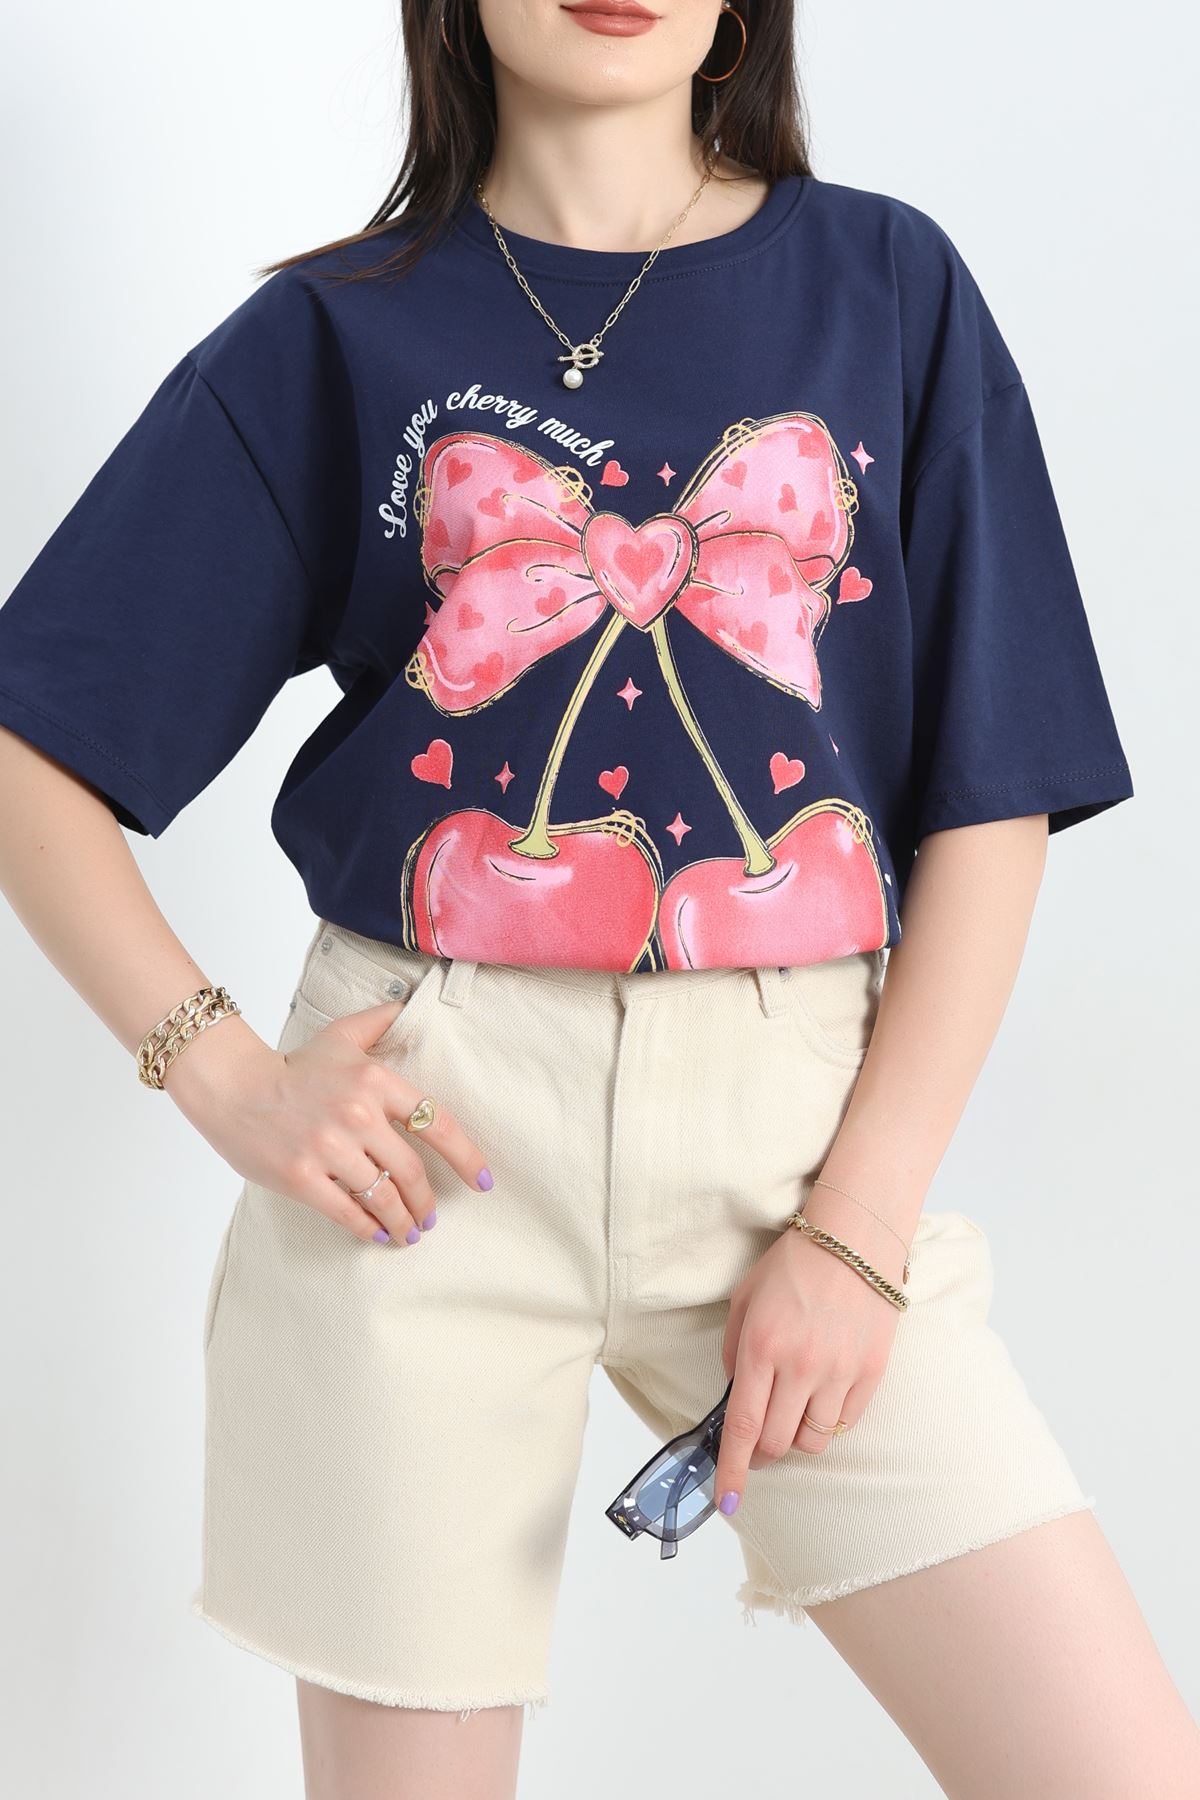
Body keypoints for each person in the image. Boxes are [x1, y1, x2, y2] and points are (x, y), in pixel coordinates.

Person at [1, 2, 1196, 1796]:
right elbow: (37, 739)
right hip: (422, 1155)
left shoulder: (888, 287)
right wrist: (224, 1074)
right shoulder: (333, 334)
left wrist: (858, 1229)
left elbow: (993, 789)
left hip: (806, 1151)